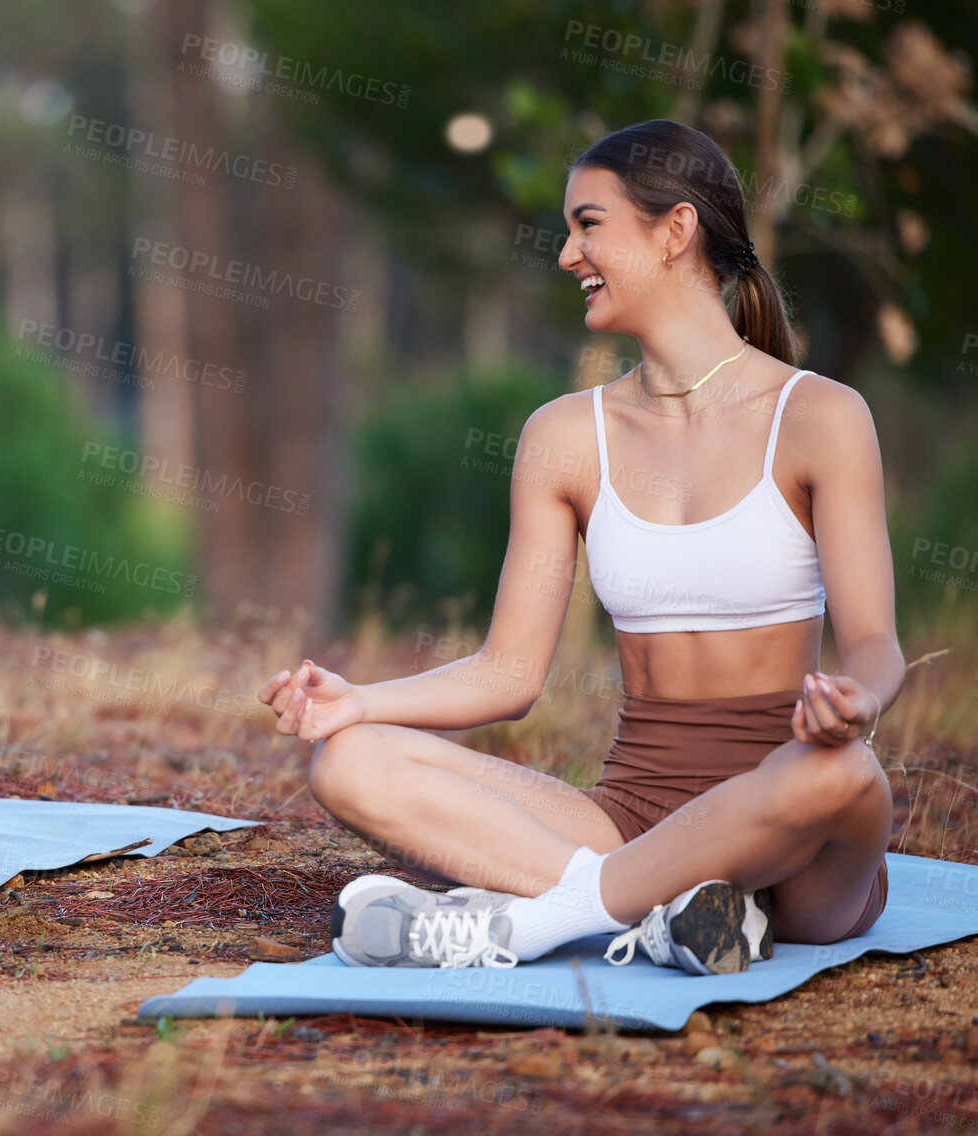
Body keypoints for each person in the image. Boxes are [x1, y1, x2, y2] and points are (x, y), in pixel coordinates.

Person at [260, 119, 900, 973]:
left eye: (588, 224)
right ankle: (677, 918)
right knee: (347, 762)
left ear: (675, 231)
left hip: (793, 821)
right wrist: (360, 702)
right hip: (630, 812)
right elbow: (508, 674)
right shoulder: (564, 435)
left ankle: (531, 923)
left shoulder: (820, 416)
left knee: (846, 774)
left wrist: (856, 698)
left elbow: (874, 643)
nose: (566, 254)